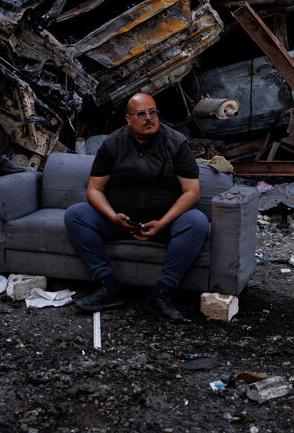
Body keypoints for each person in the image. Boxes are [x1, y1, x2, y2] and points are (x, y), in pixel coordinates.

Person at [63, 92, 210, 322]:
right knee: (76, 215)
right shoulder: (112, 144)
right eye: (142, 114)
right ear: (128, 119)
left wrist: (163, 222)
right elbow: (94, 189)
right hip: (122, 222)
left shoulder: (176, 143)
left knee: (197, 221)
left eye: (153, 112)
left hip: (164, 223)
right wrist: (113, 217)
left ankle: (161, 294)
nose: (149, 118)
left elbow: (192, 192)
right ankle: (109, 287)